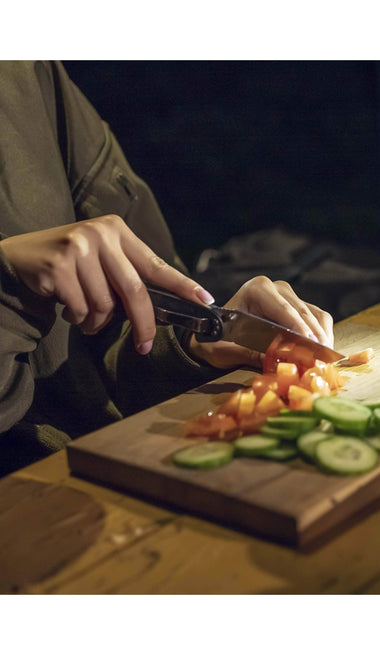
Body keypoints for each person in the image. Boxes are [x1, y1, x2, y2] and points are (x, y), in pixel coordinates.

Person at [0, 61, 334, 476]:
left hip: (117, 464)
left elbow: (123, 340)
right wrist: (7, 289)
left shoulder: (27, 71)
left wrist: (192, 345)